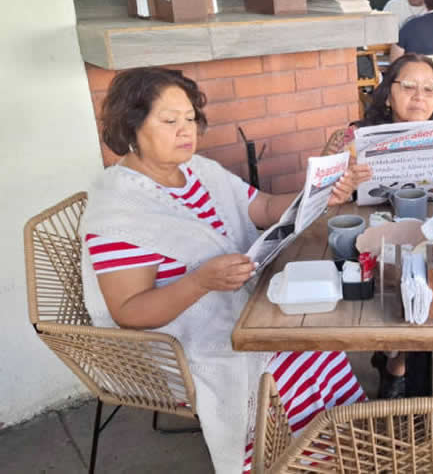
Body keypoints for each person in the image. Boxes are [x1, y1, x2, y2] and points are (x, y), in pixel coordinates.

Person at [81, 67, 366, 473]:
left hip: (238, 302)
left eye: (190, 118)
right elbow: (129, 312)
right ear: (131, 126)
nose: (186, 130)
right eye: (169, 120)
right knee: (290, 351)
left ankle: (334, 448)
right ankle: (291, 460)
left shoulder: (197, 170)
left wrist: (322, 195)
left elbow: (265, 208)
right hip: (180, 339)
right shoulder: (118, 210)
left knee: (315, 332)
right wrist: (200, 281)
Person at [321, 54, 433, 399]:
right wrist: (338, 179)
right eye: (408, 86)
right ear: (387, 94)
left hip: (430, 234)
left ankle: (398, 365)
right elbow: (324, 206)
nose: (419, 96)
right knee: (393, 291)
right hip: (371, 236)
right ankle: (397, 359)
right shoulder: (355, 136)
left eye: (430, 88)